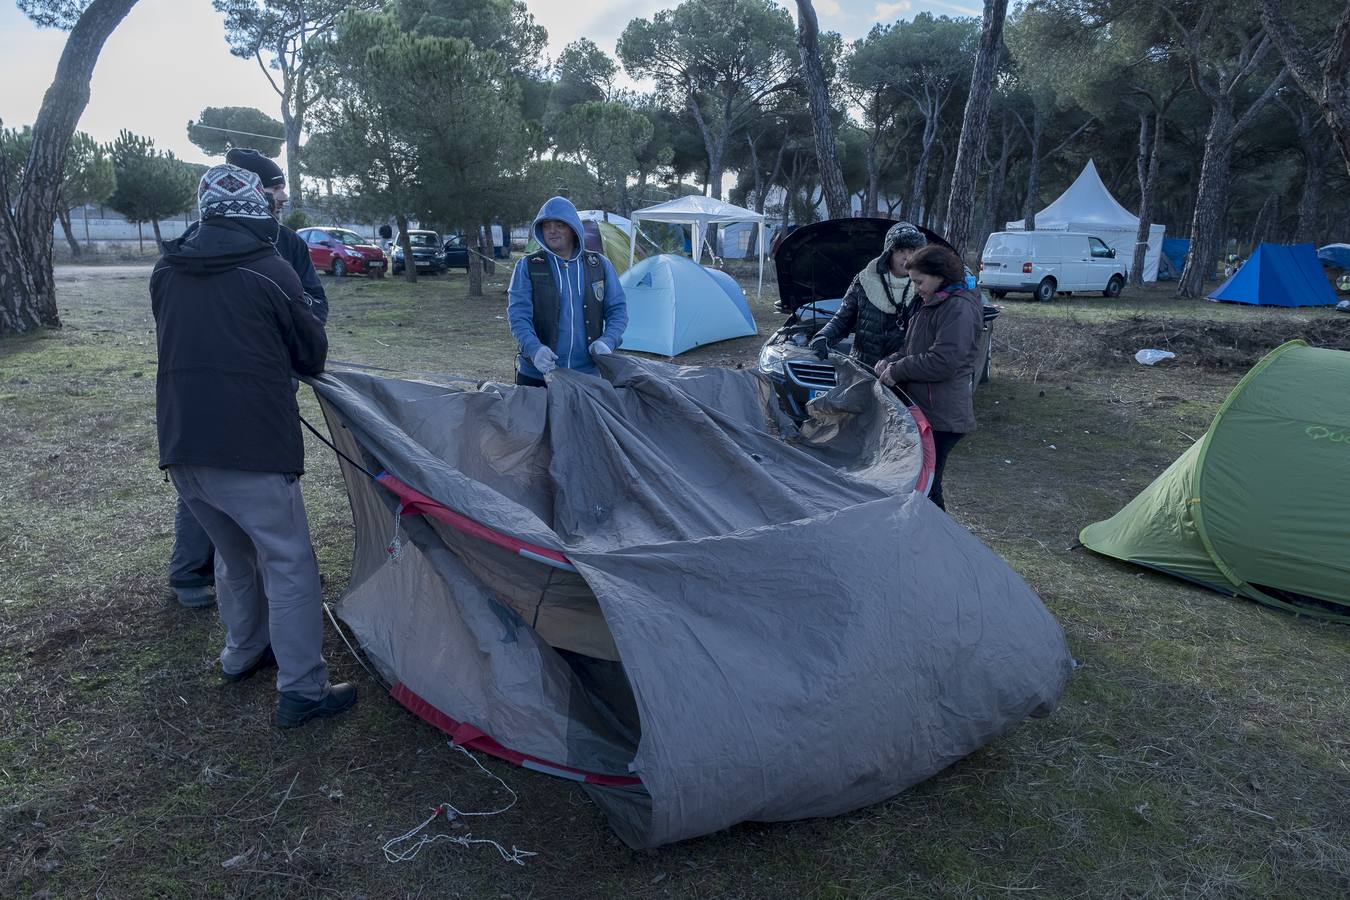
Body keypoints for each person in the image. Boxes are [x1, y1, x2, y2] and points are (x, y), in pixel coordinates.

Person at [151, 164, 356, 727]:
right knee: (289, 563)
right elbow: (310, 352)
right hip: (252, 445)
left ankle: (243, 652)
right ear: (258, 212)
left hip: (182, 445)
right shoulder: (270, 270)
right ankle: (303, 689)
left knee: (235, 557)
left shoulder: (166, 269)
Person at [165, 147, 328, 608]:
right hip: (248, 411)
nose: (282, 194)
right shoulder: (253, 261)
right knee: (282, 551)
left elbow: (312, 309)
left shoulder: (174, 261)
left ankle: (244, 646)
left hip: (203, 414)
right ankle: (297, 676)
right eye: (274, 186)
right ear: (254, 193)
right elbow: (311, 345)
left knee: (228, 522)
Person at [874, 243, 983, 512]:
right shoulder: (931, 302)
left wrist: (898, 370)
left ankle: (939, 545)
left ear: (939, 275)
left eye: (920, 281)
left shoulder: (958, 308)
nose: (917, 288)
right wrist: (890, 361)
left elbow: (944, 361)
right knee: (920, 485)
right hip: (925, 411)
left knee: (928, 488)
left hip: (942, 416)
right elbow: (913, 349)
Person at [507, 196, 628, 387]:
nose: (552, 231)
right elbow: (518, 316)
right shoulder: (527, 266)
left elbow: (618, 310)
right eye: (546, 226)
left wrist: (608, 341)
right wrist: (535, 349)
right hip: (538, 375)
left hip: (588, 374)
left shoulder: (599, 265)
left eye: (559, 225)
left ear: (573, 228)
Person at [809, 221, 928, 368]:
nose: (906, 257)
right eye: (900, 250)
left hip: (902, 376)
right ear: (889, 252)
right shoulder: (865, 280)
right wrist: (822, 337)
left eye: (912, 251)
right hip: (862, 371)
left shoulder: (925, 287)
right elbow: (842, 319)